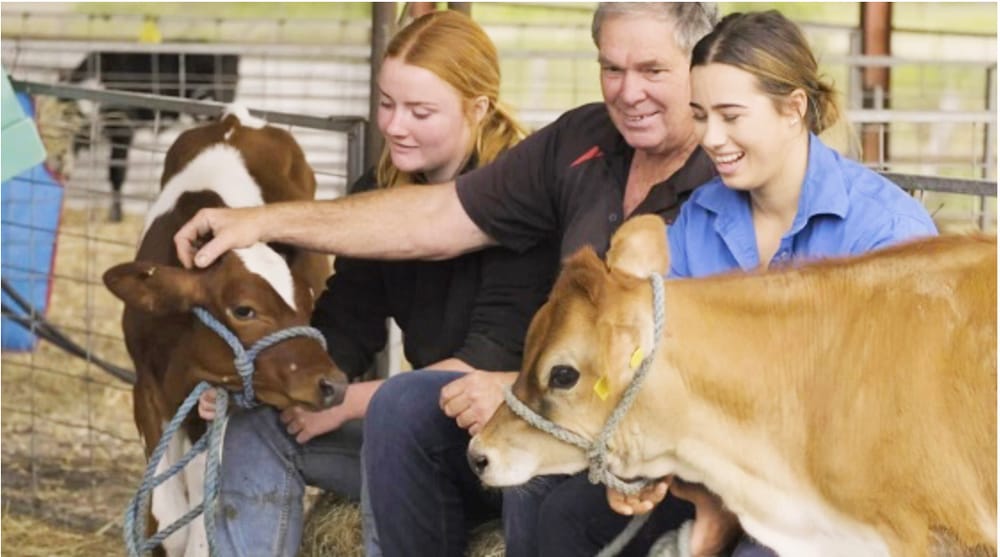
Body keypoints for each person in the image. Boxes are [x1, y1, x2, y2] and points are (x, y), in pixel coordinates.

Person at [176, 4, 728, 556]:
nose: (628, 92)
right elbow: (419, 231)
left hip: (606, 434)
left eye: (652, 71)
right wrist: (256, 231)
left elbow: (509, 355)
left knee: (492, 429)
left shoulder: (726, 174)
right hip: (496, 417)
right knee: (386, 407)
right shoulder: (577, 143)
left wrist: (500, 386)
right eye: (612, 68)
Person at [195, 10, 558, 556]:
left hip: (506, 446)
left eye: (420, 110)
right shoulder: (383, 187)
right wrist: (264, 379)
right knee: (257, 424)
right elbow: (346, 323)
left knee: (394, 437)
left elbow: (484, 363)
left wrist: (351, 402)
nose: (393, 126)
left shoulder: (523, 201)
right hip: (417, 422)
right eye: (387, 104)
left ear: (477, 107)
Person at [611, 10, 938, 556]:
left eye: (731, 116)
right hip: (722, 463)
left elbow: (888, 415)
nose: (711, 138)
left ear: (793, 109)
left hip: (840, 487)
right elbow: (668, 361)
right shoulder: (701, 216)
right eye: (701, 115)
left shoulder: (887, 231)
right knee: (561, 509)